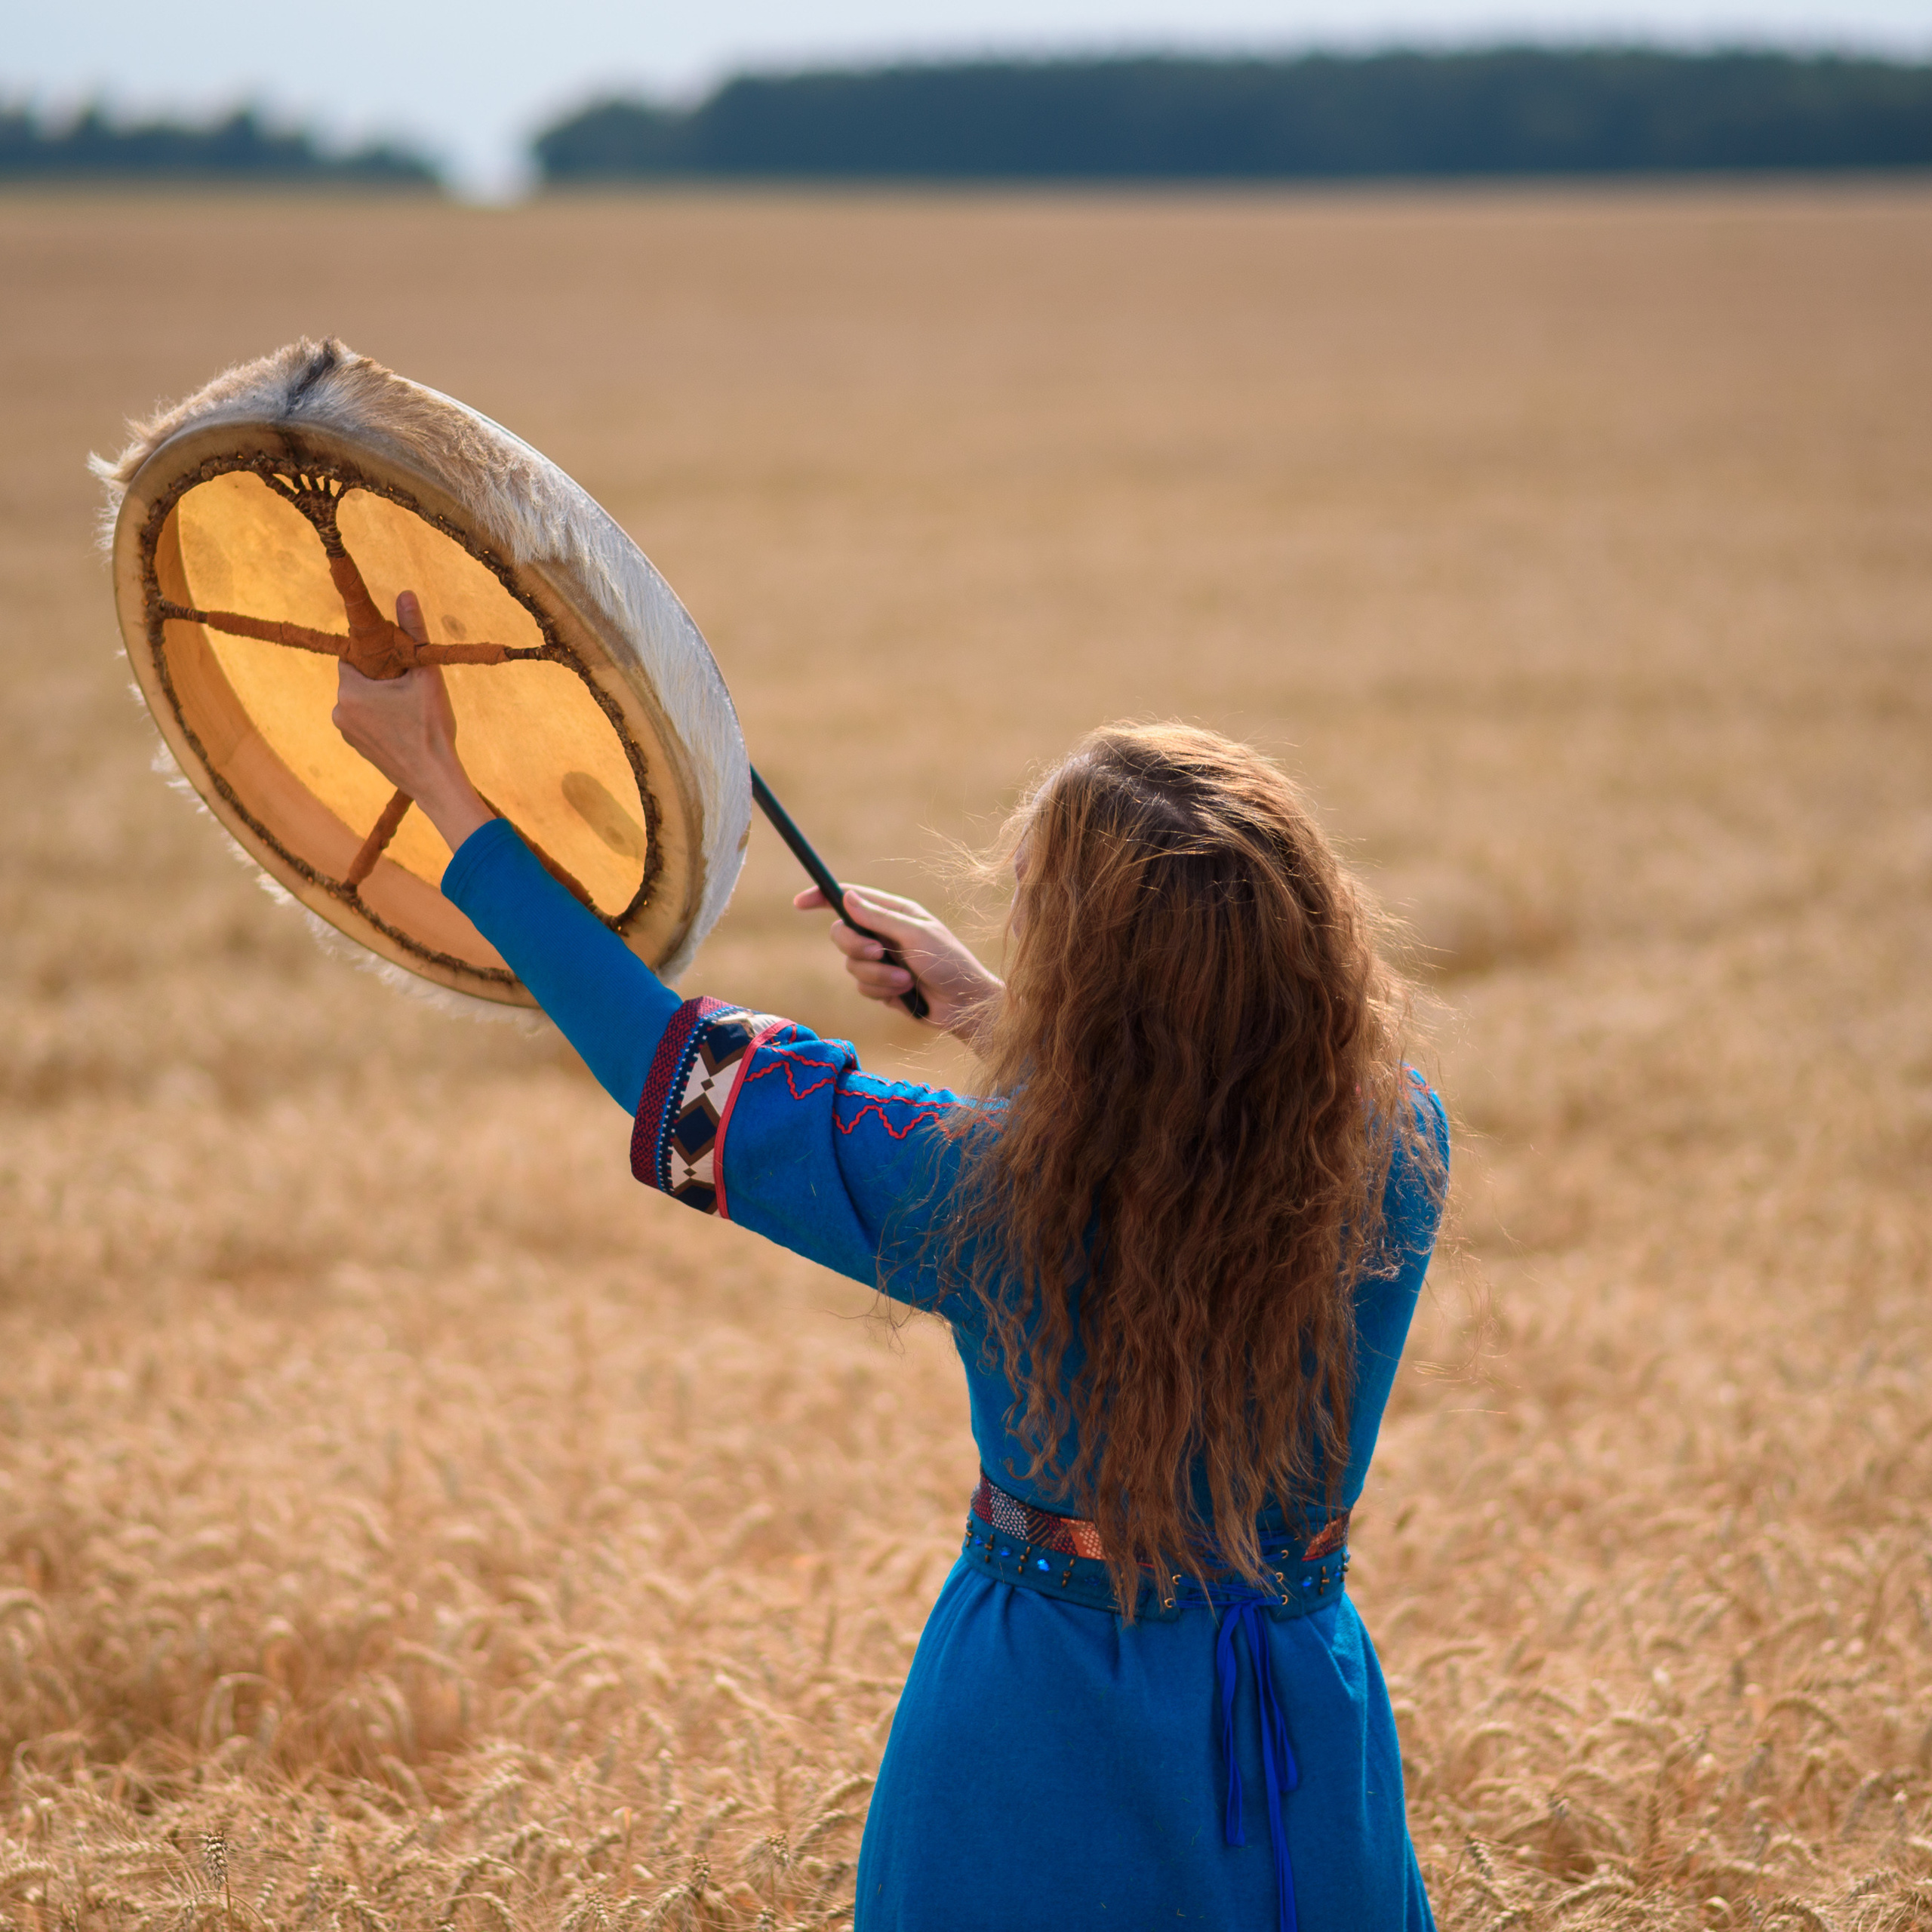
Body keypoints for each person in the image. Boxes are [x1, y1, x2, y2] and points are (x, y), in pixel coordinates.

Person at [333, 594, 1451, 1932]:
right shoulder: (1400, 1139)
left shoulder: (981, 1191)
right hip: (1308, 1755)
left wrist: (438, 780)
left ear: (1094, 984)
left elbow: (665, 1064)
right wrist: (979, 1007)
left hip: (1034, 1749)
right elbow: (1193, 1113)